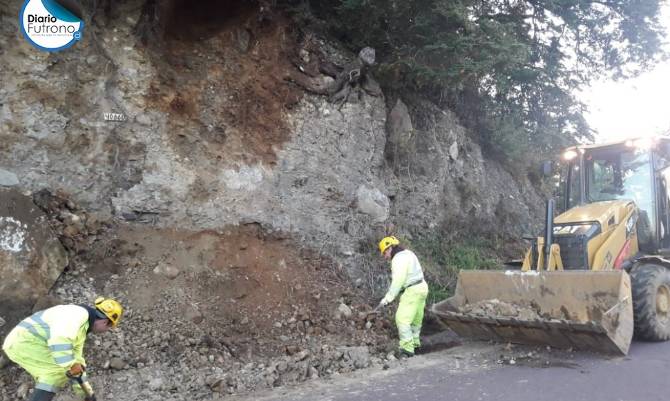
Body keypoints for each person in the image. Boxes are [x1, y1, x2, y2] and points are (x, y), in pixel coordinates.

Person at [2, 297, 123, 401]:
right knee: (57, 372)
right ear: (105, 322)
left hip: (27, 343)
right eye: (109, 328)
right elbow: (60, 341)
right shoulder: (78, 315)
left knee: (54, 374)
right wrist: (71, 365)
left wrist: (87, 394)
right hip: (25, 342)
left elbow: (78, 365)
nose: (105, 332)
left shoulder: (82, 327)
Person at [378, 236, 429, 358]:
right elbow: (410, 274)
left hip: (413, 291)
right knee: (416, 318)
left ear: (390, 248)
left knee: (402, 319)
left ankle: (407, 349)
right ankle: (415, 343)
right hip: (422, 287)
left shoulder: (398, 259)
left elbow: (398, 280)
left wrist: (388, 298)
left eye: (385, 252)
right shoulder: (408, 253)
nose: (385, 256)